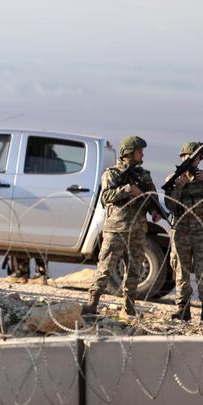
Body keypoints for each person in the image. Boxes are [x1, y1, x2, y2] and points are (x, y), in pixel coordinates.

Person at [81, 135, 162, 320]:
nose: (142, 153)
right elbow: (106, 196)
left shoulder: (144, 175)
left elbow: (151, 198)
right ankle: (92, 303)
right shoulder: (112, 174)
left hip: (138, 229)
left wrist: (155, 212)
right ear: (129, 153)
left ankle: (129, 306)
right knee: (106, 267)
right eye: (139, 151)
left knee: (134, 269)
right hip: (116, 228)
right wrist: (127, 190)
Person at [165, 141, 203, 323]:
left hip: (201, 231)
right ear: (182, 158)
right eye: (189, 158)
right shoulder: (173, 179)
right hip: (181, 232)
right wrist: (180, 187)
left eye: (197, 159)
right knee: (180, 271)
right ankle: (183, 310)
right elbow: (170, 206)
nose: (193, 162)